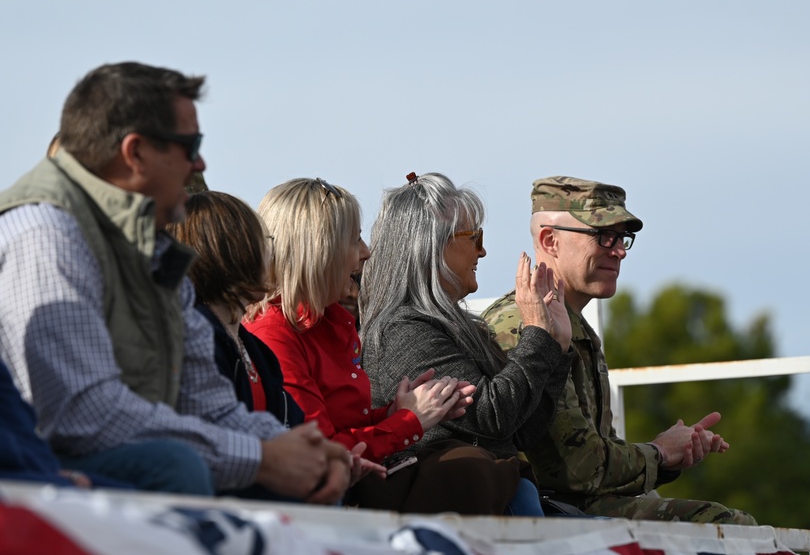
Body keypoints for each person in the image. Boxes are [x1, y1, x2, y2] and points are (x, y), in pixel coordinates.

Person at [0, 62, 352, 503]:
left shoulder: (153, 251)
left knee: (303, 474)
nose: (201, 163)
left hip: (113, 460)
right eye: (191, 145)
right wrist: (261, 458)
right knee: (175, 468)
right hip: (40, 476)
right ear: (135, 152)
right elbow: (86, 417)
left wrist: (304, 446)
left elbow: (209, 403)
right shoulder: (47, 237)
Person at [483, 176, 757, 525]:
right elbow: (576, 470)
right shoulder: (523, 325)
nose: (620, 251)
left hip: (576, 510)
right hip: (544, 517)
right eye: (603, 236)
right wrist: (660, 453)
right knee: (727, 526)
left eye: (622, 238)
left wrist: (671, 455)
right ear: (549, 240)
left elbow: (597, 455)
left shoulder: (579, 329)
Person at [360, 172, 574, 516]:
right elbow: (492, 416)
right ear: (432, 245)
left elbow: (520, 432)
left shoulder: (455, 326)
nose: (483, 250)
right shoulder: (404, 330)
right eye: (474, 237)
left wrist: (557, 347)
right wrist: (536, 334)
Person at [244, 177, 477, 465]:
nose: (366, 252)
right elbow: (321, 453)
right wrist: (408, 421)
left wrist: (394, 413)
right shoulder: (273, 336)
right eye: (355, 239)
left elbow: (344, 427)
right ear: (319, 250)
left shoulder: (327, 323)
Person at [167, 190, 304, 429]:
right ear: (232, 253)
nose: (271, 254)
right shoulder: (199, 341)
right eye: (264, 241)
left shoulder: (254, 347)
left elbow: (290, 425)